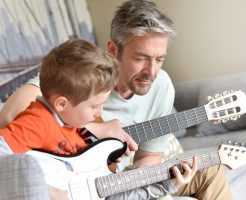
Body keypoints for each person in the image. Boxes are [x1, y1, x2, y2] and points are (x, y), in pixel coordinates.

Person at [0, 0, 232, 199]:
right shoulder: (80, 73)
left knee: (210, 170)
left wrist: (157, 183)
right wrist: (97, 130)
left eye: (159, 59)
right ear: (113, 50)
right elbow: (12, 115)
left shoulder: (161, 85)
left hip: (113, 177)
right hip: (69, 179)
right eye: (141, 58)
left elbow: (148, 157)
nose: (151, 72)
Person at [0, 38, 198, 200]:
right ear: (62, 104)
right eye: (94, 106)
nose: (99, 112)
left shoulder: (77, 132)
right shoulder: (39, 120)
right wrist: (46, 191)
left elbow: (109, 194)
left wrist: (166, 185)